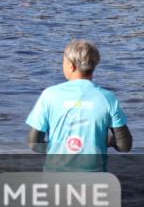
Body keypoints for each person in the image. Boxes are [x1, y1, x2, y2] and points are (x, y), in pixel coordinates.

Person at [26, 40, 132, 171]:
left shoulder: (49, 95)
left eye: (63, 62)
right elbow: (124, 146)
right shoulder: (108, 98)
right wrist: (107, 141)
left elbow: (34, 143)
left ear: (71, 66)